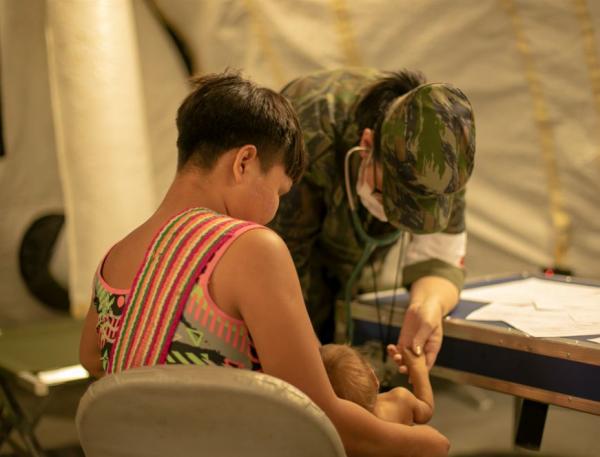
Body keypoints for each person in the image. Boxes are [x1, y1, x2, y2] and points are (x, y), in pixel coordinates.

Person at [79, 71, 449, 457]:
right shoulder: (251, 249)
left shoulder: (115, 255)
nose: (274, 211)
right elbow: (321, 416)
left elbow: (91, 358)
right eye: (278, 190)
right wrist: (423, 444)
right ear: (244, 162)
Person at [270, 68, 476, 372]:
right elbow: (277, 271)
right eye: (385, 196)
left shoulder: (444, 155)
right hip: (285, 256)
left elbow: (440, 257)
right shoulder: (309, 123)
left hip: (352, 265)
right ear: (367, 145)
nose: (394, 220)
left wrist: (428, 306)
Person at [320, 343, 433, 425]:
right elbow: (426, 409)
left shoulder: (336, 430)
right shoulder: (400, 400)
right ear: (374, 378)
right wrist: (418, 367)